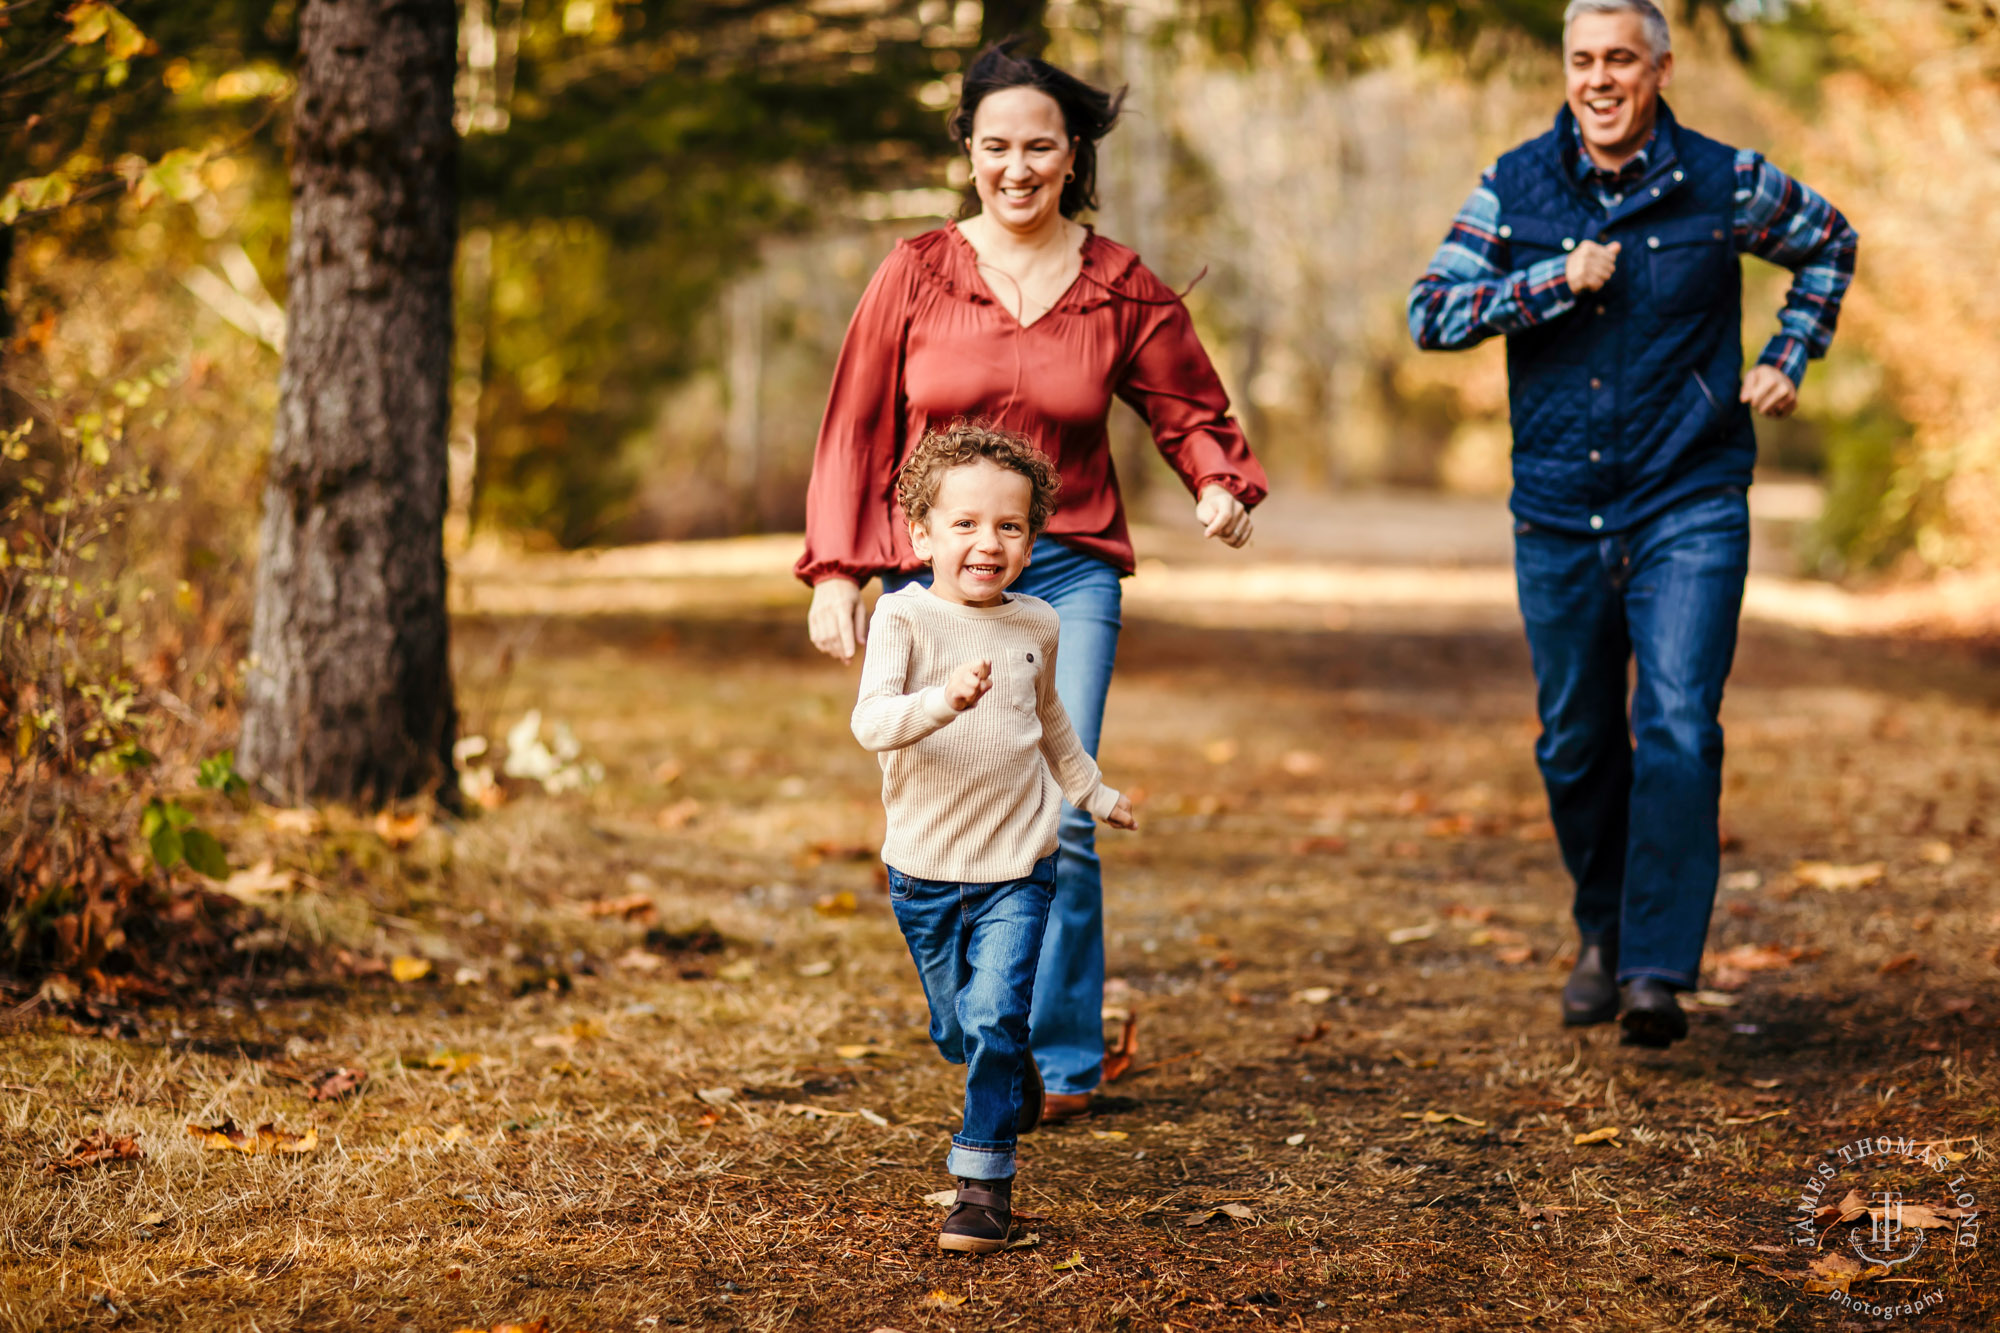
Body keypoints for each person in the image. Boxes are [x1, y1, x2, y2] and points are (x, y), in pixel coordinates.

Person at [799, 44, 1266, 1115]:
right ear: (968, 152)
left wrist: (1217, 482)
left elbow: (1188, 404)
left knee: (1060, 803)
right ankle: (975, 1007)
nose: (1016, 167)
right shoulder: (914, 270)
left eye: (1039, 147)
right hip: (934, 574)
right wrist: (839, 570)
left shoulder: (1116, 285)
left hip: (1064, 571)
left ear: (1073, 157)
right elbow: (856, 427)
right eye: (995, 145)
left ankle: (1051, 1057)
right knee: (944, 793)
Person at [1408, 0, 1857, 1046]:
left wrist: (1787, 355)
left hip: (1687, 495)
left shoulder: (1723, 181)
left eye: (1619, 58)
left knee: (1676, 723)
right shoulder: (1512, 185)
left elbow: (1828, 242)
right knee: (1573, 740)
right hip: (1558, 510)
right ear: (1564, 71)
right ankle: (1600, 933)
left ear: (1659, 67)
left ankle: (1654, 967)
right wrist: (1545, 281)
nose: (1597, 78)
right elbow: (1428, 311)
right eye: (1580, 60)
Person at [852, 421, 1138, 1253]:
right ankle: (1006, 1064)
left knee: (995, 1010)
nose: (988, 542)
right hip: (923, 870)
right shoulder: (902, 618)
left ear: (1032, 538)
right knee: (961, 1026)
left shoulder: (1038, 623)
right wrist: (943, 699)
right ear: (923, 533)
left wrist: (1095, 791)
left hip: (1019, 865)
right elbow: (871, 723)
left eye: (1010, 526)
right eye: (966, 523)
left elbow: (1052, 725)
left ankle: (983, 1185)